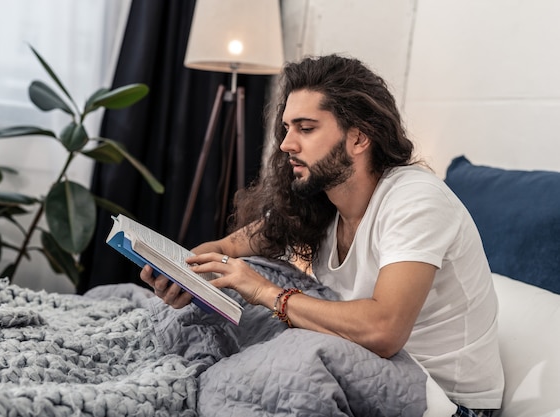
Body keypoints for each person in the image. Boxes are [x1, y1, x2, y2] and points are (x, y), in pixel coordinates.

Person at [140, 54, 504, 416]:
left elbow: (384, 330)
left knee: (270, 307)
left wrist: (267, 293)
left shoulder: (416, 200)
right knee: (243, 275)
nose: (286, 144)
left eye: (306, 128)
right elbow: (227, 247)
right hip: (376, 368)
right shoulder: (319, 199)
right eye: (286, 128)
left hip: (445, 400)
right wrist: (185, 272)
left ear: (359, 136)